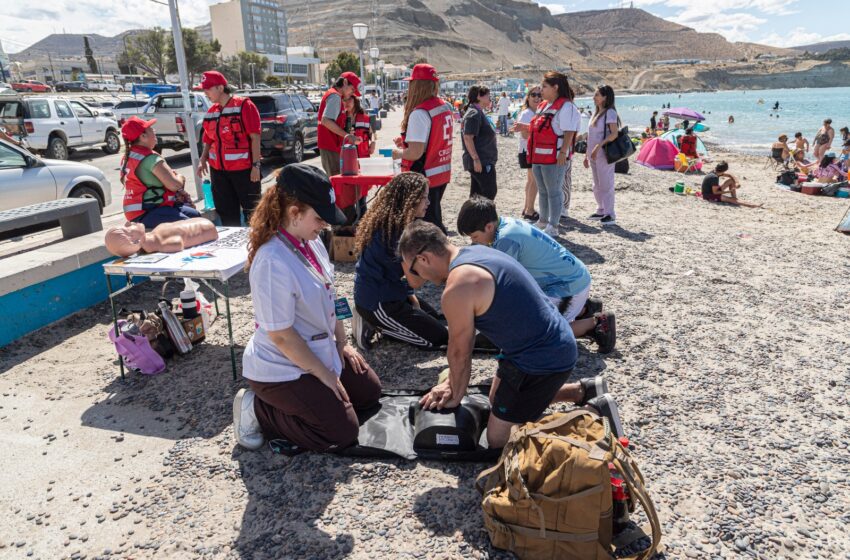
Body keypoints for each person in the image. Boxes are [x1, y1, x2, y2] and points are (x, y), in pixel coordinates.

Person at [397, 221, 624, 447]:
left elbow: (460, 351)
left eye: (414, 270)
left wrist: (455, 393)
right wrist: (452, 382)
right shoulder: (477, 252)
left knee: (500, 440)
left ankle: (595, 412)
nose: (418, 277)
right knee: (495, 400)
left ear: (424, 259)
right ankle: (582, 391)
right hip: (545, 344)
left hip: (543, 359)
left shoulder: (458, 286)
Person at [233, 163, 382, 452]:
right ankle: (257, 409)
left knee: (369, 393)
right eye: (319, 218)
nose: (325, 225)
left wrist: (342, 342)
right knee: (341, 432)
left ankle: (315, 397)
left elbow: (331, 293)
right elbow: (281, 336)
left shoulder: (309, 241)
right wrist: (325, 374)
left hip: (316, 348)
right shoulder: (272, 261)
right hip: (282, 366)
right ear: (294, 213)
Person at [456, 196, 616, 352]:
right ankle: (583, 309)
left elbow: (502, 284)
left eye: (475, 237)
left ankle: (596, 324)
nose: (474, 242)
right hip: (572, 279)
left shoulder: (506, 240)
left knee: (537, 333)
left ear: (489, 227)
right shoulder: (504, 224)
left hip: (567, 288)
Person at [352, 173, 446, 349]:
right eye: (424, 198)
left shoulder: (390, 222)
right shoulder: (398, 232)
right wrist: (439, 272)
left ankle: (380, 322)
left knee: (438, 318)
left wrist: (411, 298)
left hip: (389, 289)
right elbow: (415, 281)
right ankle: (373, 322)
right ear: (409, 200)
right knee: (437, 339)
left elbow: (402, 277)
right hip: (377, 302)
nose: (428, 202)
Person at [513, 71, 579, 236]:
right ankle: (543, 221)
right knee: (542, 190)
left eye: (544, 87)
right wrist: (524, 127)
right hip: (538, 156)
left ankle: (553, 225)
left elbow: (569, 131)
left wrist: (563, 152)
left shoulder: (566, 107)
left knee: (554, 191)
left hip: (554, 157)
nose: (541, 90)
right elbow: (539, 128)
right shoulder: (543, 106)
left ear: (555, 87)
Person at [392, 64, 453, 234]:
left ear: (416, 86)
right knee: (434, 219)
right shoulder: (444, 106)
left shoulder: (420, 113)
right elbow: (435, 137)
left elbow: (415, 153)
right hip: (441, 172)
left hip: (424, 175)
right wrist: (407, 141)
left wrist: (397, 153)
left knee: (426, 227)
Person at [197, 71, 262, 227]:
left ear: (220, 88)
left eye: (208, 89)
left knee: (253, 212)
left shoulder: (244, 106)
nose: (205, 93)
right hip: (218, 173)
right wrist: (203, 159)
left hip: (244, 171)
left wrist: (256, 166)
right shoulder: (212, 112)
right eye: (203, 89)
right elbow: (208, 139)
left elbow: (255, 137)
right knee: (226, 213)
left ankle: (257, 240)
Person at [119, 116, 199, 229]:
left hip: (140, 212)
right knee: (192, 226)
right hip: (148, 211)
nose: (154, 130)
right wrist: (180, 177)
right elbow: (175, 185)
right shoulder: (150, 158)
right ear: (143, 137)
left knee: (195, 215)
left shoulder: (129, 156)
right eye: (150, 129)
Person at [584, 85, 620, 225]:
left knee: (606, 184)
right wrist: (586, 155)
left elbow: (614, 134)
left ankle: (610, 214)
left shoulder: (610, 113)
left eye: (597, 94)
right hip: (593, 154)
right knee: (597, 184)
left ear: (605, 97)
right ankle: (601, 210)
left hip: (604, 154)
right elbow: (591, 135)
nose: (594, 97)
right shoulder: (596, 113)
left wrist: (599, 146)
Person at [317, 71, 363, 177]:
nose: (352, 93)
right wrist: (347, 136)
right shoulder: (335, 96)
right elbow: (326, 120)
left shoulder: (335, 96)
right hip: (331, 146)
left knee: (338, 179)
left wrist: (346, 132)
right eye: (352, 89)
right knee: (337, 180)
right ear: (345, 82)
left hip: (332, 146)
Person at [104, 217, 218, 257]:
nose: (128, 223)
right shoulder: (161, 243)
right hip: (207, 228)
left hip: (202, 223)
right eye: (127, 229)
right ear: (135, 242)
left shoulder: (154, 235)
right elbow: (178, 244)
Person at [461, 85, 498, 200]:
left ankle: (473, 212)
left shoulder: (476, 111)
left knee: (476, 195)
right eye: (488, 95)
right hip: (481, 161)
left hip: (483, 160)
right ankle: (482, 213)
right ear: (479, 96)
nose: (490, 98)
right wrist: (476, 159)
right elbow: (468, 137)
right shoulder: (474, 113)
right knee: (489, 192)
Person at [517, 88, 541, 221]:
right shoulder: (527, 113)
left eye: (539, 95)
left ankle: (527, 207)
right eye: (533, 95)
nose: (537, 97)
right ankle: (530, 210)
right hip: (528, 151)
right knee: (534, 181)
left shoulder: (535, 112)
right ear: (528, 97)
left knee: (531, 180)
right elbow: (524, 135)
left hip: (528, 150)